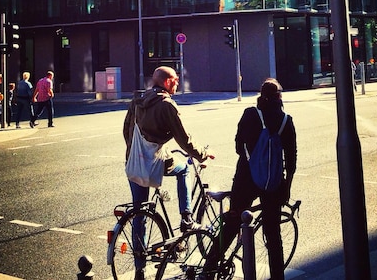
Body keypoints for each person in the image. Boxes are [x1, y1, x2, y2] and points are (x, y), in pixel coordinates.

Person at [206, 78, 296, 280]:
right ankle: (277, 276)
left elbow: (238, 146)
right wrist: (286, 187)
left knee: (232, 222)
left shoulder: (250, 114)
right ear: (279, 96)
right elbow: (291, 159)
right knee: (273, 234)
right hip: (273, 183)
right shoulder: (285, 120)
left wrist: (253, 158)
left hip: (246, 179)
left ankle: (209, 267)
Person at [123, 66, 214, 242]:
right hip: (156, 160)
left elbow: (127, 129)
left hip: (134, 162)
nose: (177, 84)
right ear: (166, 82)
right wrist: (203, 154)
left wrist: (135, 152)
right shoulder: (166, 105)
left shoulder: (137, 100)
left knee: (139, 212)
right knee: (185, 170)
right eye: (175, 81)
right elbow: (184, 140)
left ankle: (139, 266)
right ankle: (187, 218)